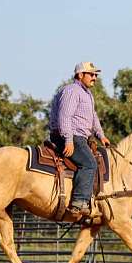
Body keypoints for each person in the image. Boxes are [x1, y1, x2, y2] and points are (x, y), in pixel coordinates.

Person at [49, 61, 111, 216]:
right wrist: (68, 140)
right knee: (89, 164)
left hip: (79, 137)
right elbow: (65, 116)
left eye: (96, 75)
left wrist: (101, 136)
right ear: (80, 75)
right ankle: (78, 203)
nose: (95, 77)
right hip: (70, 136)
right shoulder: (72, 91)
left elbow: (93, 117)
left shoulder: (87, 94)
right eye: (91, 74)